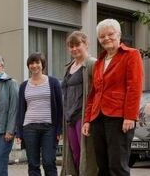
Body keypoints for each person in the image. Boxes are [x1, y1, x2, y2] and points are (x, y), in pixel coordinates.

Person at [83, 19, 144, 176]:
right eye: (102, 36)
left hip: (119, 118)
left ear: (119, 35)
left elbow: (134, 87)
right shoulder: (99, 62)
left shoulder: (131, 55)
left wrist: (130, 116)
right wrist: (88, 120)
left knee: (117, 166)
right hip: (98, 118)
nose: (106, 38)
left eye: (110, 34)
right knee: (102, 166)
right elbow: (94, 94)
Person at [16, 53, 62, 176]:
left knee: (49, 162)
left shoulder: (53, 82)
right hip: (29, 128)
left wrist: (59, 129)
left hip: (49, 128)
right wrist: (19, 132)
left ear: (42, 65)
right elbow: (20, 109)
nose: (34, 65)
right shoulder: (24, 86)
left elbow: (60, 107)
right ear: (28, 66)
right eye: (31, 63)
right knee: (33, 164)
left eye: (37, 62)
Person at [61, 31, 97, 176]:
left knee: (86, 156)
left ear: (86, 44)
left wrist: (90, 118)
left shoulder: (92, 63)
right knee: (74, 155)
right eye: (71, 46)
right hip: (69, 117)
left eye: (77, 45)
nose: (74, 49)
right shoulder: (69, 67)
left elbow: (97, 91)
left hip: (83, 116)